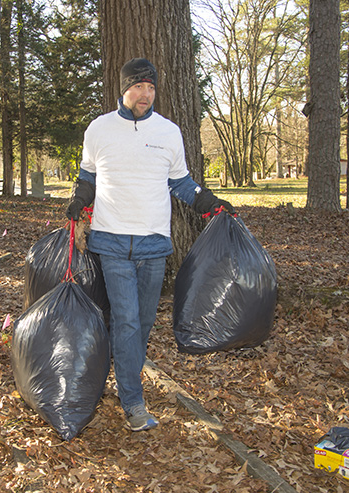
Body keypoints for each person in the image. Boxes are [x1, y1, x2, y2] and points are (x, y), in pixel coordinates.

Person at [66, 58, 235, 432]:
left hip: (154, 244)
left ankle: (124, 374)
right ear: (124, 89)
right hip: (111, 241)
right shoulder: (99, 129)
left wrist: (209, 203)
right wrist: (79, 200)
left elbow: (181, 183)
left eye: (151, 87)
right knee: (126, 319)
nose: (145, 94)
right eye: (138, 86)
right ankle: (133, 401)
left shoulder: (169, 132)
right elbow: (87, 177)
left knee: (141, 323)